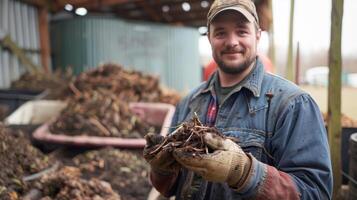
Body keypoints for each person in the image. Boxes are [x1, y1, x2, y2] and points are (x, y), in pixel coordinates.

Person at [144, 0, 333, 199]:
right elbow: (171, 189)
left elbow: (315, 193)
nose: (232, 41)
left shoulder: (292, 104)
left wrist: (243, 172)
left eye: (242, 31)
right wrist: (162, 170)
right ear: (209, 38)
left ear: (257, 36)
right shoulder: (189, 103)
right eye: (220, 32)